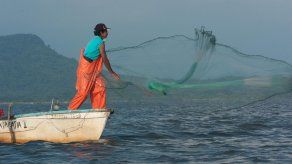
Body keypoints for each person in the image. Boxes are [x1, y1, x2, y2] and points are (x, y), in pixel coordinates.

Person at [68, 23, 120, 110]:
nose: (107, 33)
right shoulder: (100, 43)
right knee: (83, 93)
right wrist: (112, 72)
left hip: (93, 70)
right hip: (86, 69)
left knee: (100, 87)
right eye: (106, 31)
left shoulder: (97, 41)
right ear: (101, 32)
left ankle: (98, 109)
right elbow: (104, 58)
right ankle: (71, 110)